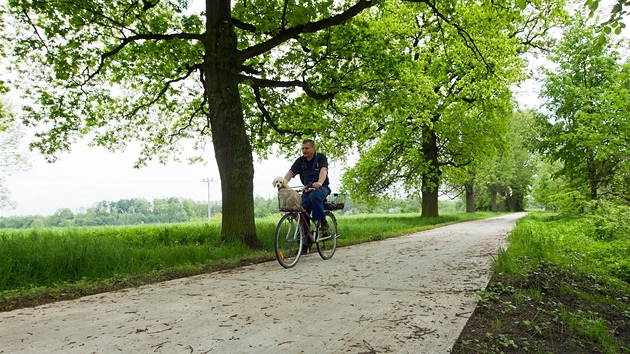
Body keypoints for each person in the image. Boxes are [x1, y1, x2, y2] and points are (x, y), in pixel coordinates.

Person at [284, 139, 331, 252]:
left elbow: (323, 171)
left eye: (307, 148)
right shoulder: (300, 161)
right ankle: (304, 244)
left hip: (322, 188)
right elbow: (290, 173)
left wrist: (319, 183)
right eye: (302, 148)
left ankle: (322, 221)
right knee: (302, 213)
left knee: (314, 196)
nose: (304, 151)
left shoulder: (320, 158)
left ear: (313, 148)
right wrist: (283, 184)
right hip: (306, 190)